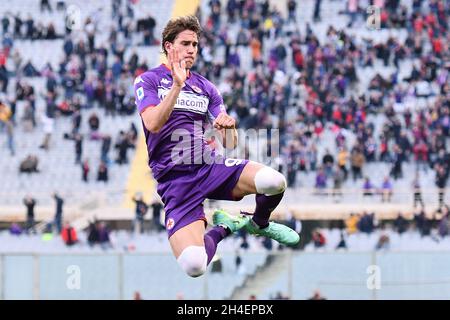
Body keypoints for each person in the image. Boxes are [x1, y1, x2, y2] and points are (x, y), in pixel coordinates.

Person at [134, 16, 299, 278]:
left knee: (274, 181)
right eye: (185, 43)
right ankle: (227, 227)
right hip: (175, 181)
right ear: (168, 46)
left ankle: (258, 222)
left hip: (208, 165)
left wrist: (228, 127)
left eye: (195, 45)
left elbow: (231, 144)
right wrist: (177, 86)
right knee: (194, 266)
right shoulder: (149, 81)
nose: (191, 50)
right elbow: (153, 123)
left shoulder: (206, 88)